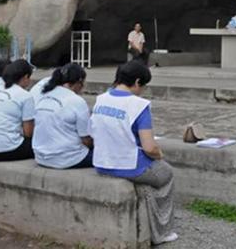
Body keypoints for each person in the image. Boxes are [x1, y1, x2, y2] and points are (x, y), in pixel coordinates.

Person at [90, 61, 177, 245]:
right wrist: (159, 154)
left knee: (147, 184)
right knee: (166, 173)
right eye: (143, 86)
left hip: (101, 163)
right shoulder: (138, 105)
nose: (142, 90)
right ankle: (162, 231)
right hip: (128, 166)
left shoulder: (101, 99)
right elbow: (149, 147)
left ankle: (151, 217)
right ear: (137, 82)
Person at [33, 63, 92, 169]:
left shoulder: (44, 95)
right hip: (67, 159)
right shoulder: (77, 101)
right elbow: (86, 140)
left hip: (41, 157)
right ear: (79, 82)